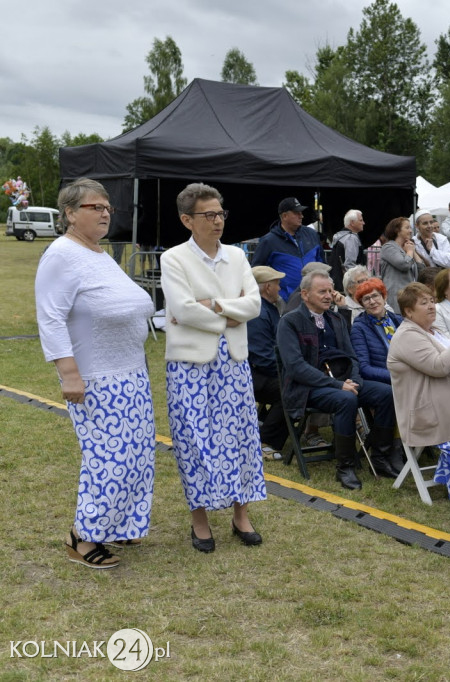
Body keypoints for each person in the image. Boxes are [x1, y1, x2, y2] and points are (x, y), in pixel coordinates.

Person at [36, 178, 156, 569]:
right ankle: (81, 537)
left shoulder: (99, 253)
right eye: (95, 207)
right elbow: (51, 317)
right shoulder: (61, 254)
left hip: (131, 373)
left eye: (108, 208)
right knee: (109, 458)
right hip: (95, 378)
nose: (105, 212)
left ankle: (116, 524)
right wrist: (68, 373)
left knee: (137, 454)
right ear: (70, 213)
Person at [161, 182, 265, 552]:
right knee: (194, 440)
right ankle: (200, 521)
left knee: (240, 437)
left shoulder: (237, 256)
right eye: (209, 215)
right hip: (190, 364)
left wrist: (213, 306)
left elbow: (253, 304)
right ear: (187, 220)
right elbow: (182, 307)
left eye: (221, 213)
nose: (218, 220)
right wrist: (229, 313)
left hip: (233, 363)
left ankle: (241, 514)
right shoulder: (173, 258)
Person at [278, 271, 401, 488]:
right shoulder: (290, 322)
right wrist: (338, 385)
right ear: (305, 294)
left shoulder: (336, 319)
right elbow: (296, 367)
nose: (328, 296)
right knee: (346, 399)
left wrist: (354, 380)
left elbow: (352, 356)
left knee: (386, 393)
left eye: (330, 291)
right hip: (307, 388)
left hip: (344, 381)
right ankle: (345, 467)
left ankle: (380, 457)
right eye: (322, 292)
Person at [387, 282, 450, 505]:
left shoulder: (433, 330)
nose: (432, 307)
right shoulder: (407, 335)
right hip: (429, 409)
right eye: (424, 303)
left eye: (432, 301)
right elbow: (440, 366)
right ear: (408, 311)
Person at [247, 265, 289, 460]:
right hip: (255, 375)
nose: (280, 288)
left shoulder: (267, 309)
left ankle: (263, 427)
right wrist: (289, 372)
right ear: (267, 287)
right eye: (277, 284)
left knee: (296, 386)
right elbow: (262, 357)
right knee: (291, 391)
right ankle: (265, 441)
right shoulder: (257, 313)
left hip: (265, 371)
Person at [252, 197, 325, 301]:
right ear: (284, 216)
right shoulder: (268, 241)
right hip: (286, 302)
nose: (301, 216)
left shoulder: (312, 235)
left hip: (314, 298)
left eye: (301, 212)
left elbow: (322, 263)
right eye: (297, 213)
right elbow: (257, 272)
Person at [350, 278, 404, 386]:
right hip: (387, 379)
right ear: (362, 304)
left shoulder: (399, 320)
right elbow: (364, 368)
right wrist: (395, 376)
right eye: (366, 299)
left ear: (384, 297)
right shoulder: (359, 328)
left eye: (375, 296)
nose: (372, 302)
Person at [379, 216, 423, 312]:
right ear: (397, 231)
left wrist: (413, 251)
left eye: (411, 228)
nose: (411, 231)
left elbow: (422, 269)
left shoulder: (407, 249)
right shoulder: (388, 247)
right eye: (407, 228)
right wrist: (410, 252)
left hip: (409, 296)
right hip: (395, 297)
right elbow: (404, 265)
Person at [329, 208, 366, 282]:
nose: (363, 223)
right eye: (361, 220)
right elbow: (350, 265)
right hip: (347, 284)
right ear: (352, 223)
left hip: (337, 280)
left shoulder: (341, 236)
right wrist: (356, 282)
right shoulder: (351, 238)